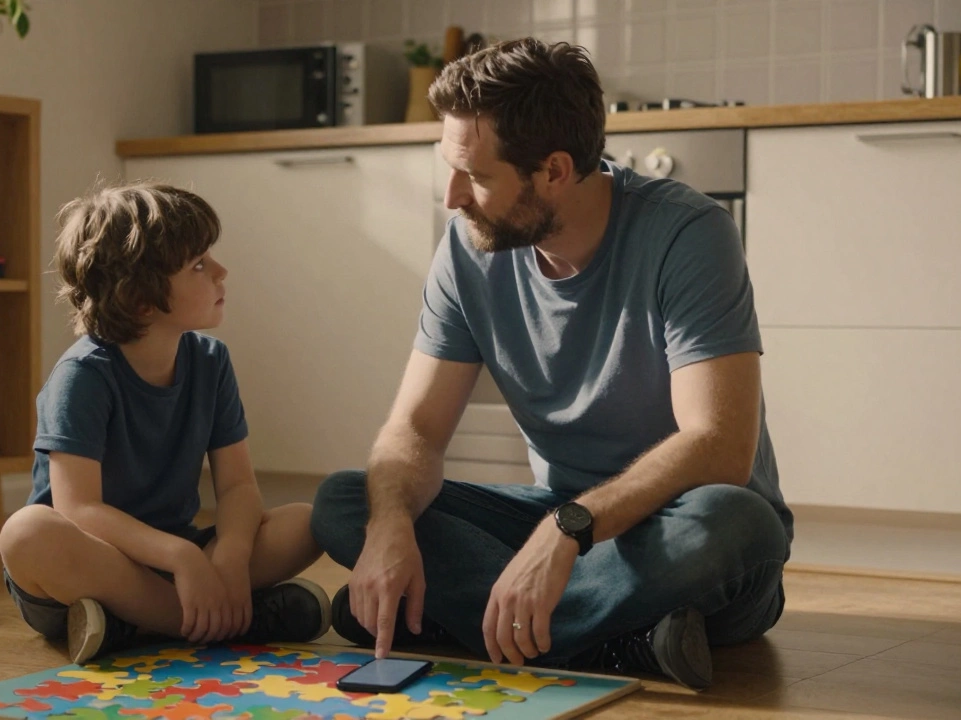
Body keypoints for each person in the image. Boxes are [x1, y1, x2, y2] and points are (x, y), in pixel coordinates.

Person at [309, 38, 793, 691]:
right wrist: (392, 527)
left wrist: (567, 532)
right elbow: (415, 429)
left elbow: (720, 446)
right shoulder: (466, 248)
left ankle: (459, 618)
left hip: (677, 527)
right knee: (349, 499)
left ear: (555, 171)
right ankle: (619, 641)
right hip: (559, 516)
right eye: (450, 169)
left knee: (737, 523)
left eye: (476, 176)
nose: (452, 197)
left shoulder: (688, 233)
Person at [0, 181, 331, 664]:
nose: (221, 271)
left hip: (176, 561)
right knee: (26, 533)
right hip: (89, 567)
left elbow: (238, 486)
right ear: (141, 299)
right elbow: (79, 510)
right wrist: (183, 557)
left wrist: (229, 556)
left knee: (305, 521)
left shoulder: (211, 362)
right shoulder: (82, 376)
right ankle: (219, 620)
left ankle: (132, 624)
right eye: (198, 265)